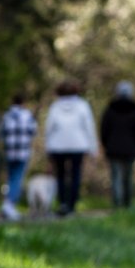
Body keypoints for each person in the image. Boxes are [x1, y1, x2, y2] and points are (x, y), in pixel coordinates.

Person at [44, 80, 98, 216]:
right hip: (78, 146)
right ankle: (72, 205)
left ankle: (62, 203)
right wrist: (93, 148)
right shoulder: (82, 106)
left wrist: (48, 147)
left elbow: (49, 128)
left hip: (57, 146)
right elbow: (89, 127)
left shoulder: (55, 107)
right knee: (75, 175)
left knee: (61, 176)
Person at [100, 81, 135, 208]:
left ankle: (117, 203)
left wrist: (105, 144)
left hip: (113, 148)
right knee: (128, 177)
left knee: (116, 177)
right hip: (131, 148)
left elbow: (104, 129)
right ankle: (128, 204)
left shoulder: (110, 109)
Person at [0, 93, 37, 220]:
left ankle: (7, 204)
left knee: (10, 178)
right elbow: (33, 131)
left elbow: (1, 133)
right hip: (22, 152)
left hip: (9, 152)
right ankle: (10, 205)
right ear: (23, 103)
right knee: (17, 179)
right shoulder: (27, 116)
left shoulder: (7, 116)